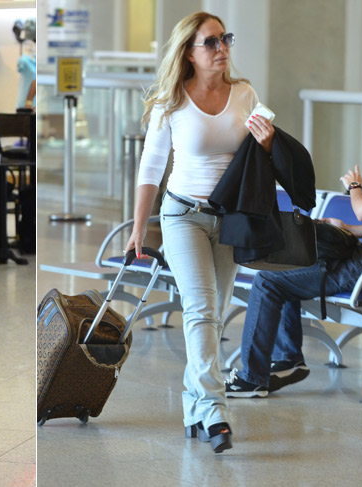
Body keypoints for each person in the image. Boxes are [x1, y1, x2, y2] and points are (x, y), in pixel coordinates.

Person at [125, 11, 274, 453]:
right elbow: (151, 167)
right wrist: (138, 229)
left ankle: (193, 402)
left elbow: (258, 163)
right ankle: (214, 408)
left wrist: (266, 145)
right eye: (210, 42)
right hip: (181, 216)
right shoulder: (172, 100)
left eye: (224, 39)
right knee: (201, 310)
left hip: (229, 219)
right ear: (188, 52)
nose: (222, 48)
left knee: (217, 312)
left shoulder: (244, 94)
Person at [225, 164, 362, 397]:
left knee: (268, 282)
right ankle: (288, 360)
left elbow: (361, 210)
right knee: (293, 268)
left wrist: (355, 185)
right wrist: (348, 228)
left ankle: (253, 378)